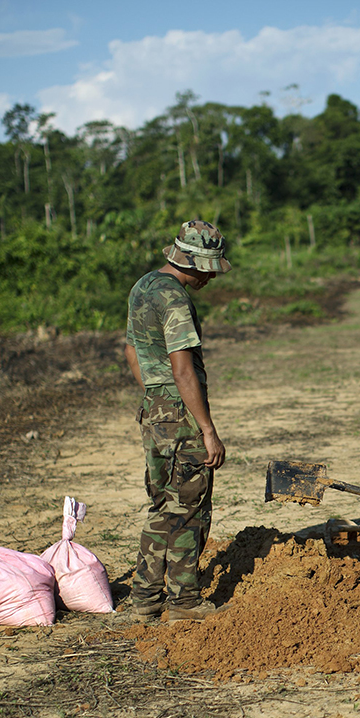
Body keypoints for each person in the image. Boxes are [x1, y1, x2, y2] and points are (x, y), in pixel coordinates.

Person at [122, 220, 230, 621]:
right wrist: (207, 429)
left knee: (163, 505)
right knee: (188, 508)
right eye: (209, 268)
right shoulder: (175, 300)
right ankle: (184, 602)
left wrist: (157, 396)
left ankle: (145, 599)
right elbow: (183, 370)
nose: (210, 277)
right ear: (195, 262)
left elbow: (133, 352)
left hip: (154, 412)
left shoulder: (144, 286)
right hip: (181, 418)